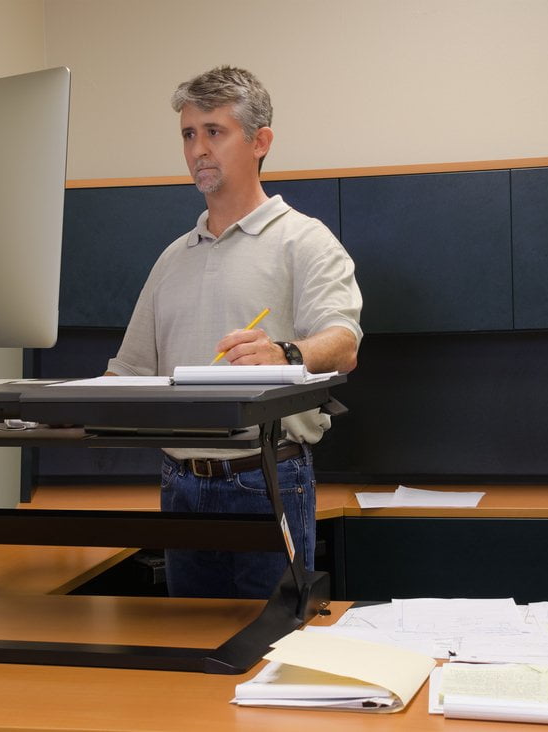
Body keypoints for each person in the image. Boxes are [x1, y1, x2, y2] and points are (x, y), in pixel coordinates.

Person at [107, 66, 362, 599]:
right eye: (188, 134)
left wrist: (285, 353)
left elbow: (344, 343)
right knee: (191, 648)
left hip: (264, 478)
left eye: (214, 131)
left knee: (271, 652)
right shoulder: (172, 258)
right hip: (180, 484)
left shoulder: (305, 241)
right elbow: (126, 372)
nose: (198, 148)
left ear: (260, 142)